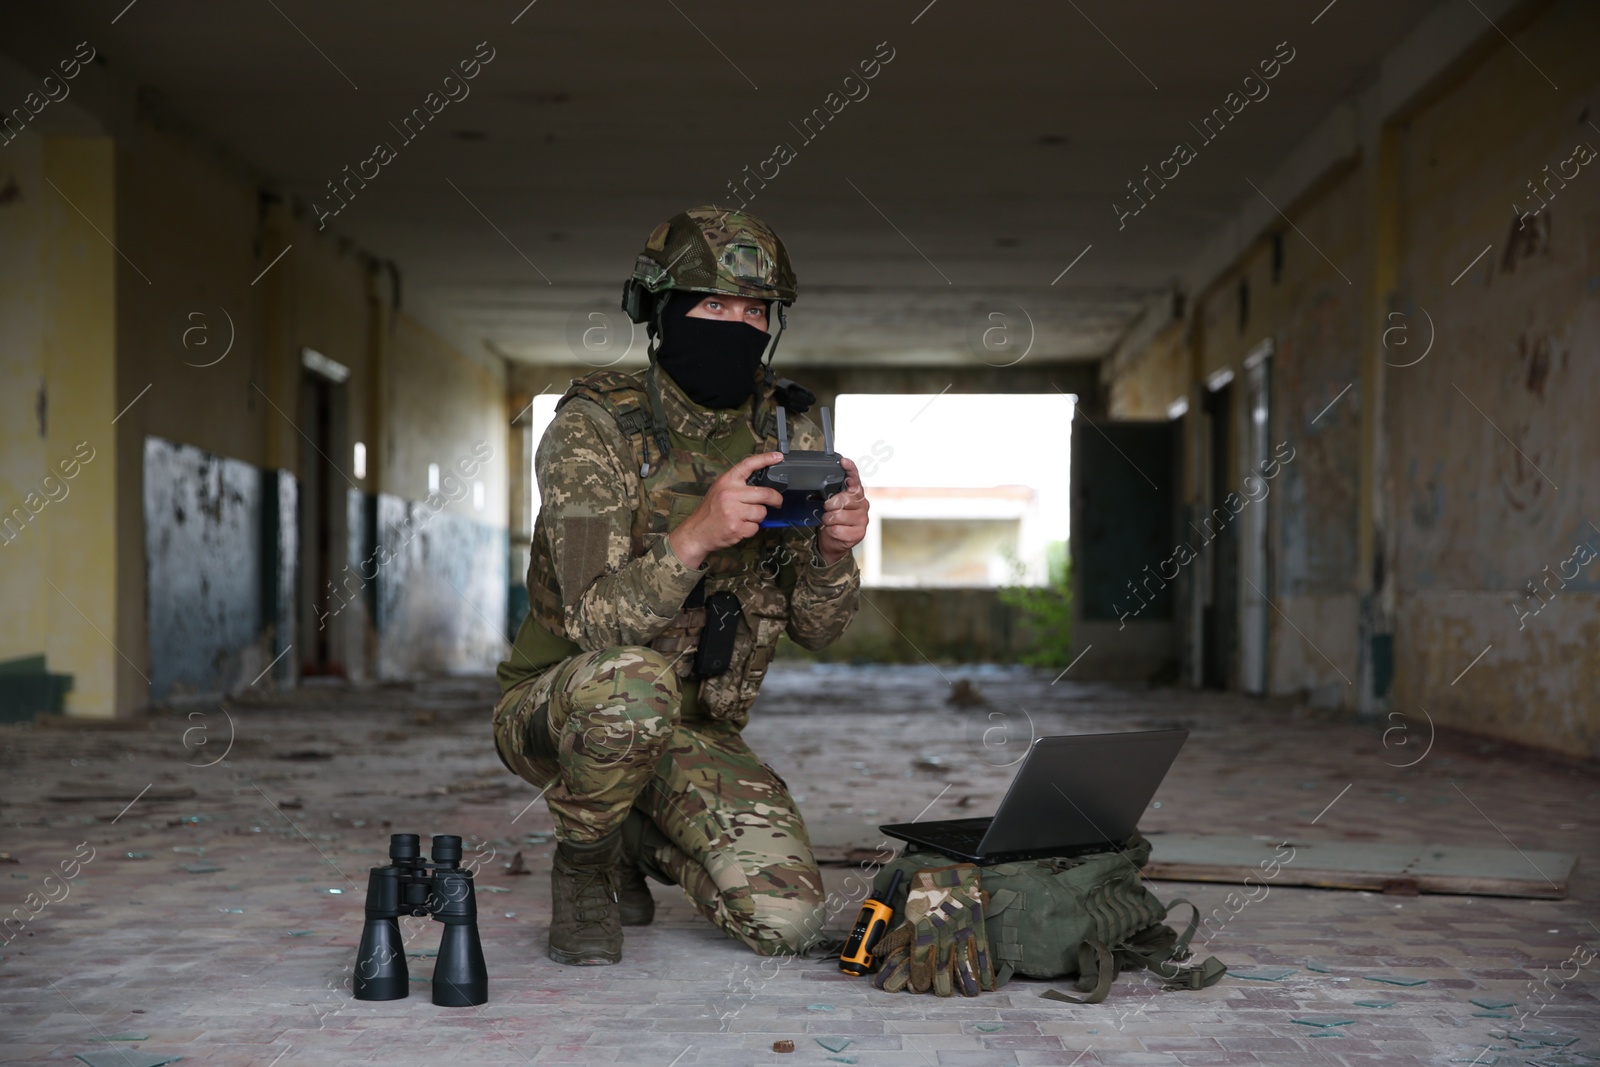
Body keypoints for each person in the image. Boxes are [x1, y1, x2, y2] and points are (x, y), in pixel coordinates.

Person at [491, 206, 870, 965]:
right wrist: (696, 534)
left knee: (788, 923)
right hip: (564, 706)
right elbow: (594, 619)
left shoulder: (788, 429)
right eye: (713, 304)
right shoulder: (594, 429)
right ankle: (587, 864)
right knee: (632, 685)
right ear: (661, 311)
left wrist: (832, 552)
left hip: (697, 731)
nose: (737, 324)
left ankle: (635, 833)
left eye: (754, 310)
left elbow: (820, 627)